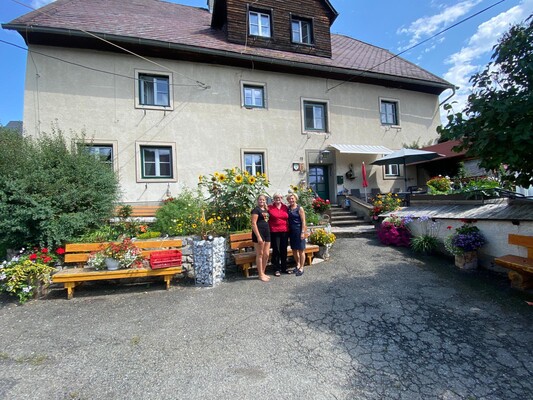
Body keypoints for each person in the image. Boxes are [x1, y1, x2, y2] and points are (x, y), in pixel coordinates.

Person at [268, 192, 290, 277]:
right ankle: (276, 268)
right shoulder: (269, 207)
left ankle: (284, 268)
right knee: (276, 250)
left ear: (282, 198)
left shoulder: (285, 207)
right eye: (276, 197)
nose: (278, 199)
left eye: (280, 197)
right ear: (273, 198)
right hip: (274, 232)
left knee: (284, 249)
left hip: (284, 231)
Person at [251, 194, 271, 282]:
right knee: (260, 254)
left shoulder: (266, 210)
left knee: (266, 254)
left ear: (265, 201)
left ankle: (263, 272)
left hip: (267, 233)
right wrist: (259, 237)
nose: (261, 201)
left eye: (263, 200)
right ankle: (260, 274)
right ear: (257, 201)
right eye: (260, 200)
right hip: (259, 234)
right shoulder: (256, 210)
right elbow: (253, 224)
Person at [287, 192, 307, 276]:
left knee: (301, 250)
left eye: (292, 198)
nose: (291, 200)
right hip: (291, 232)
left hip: (299, 230)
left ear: (295, 199)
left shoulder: (300, 208)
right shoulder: (288, 208)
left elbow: (303, 221)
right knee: (294, 249)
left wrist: (303, 232)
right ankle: (298, 264)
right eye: (289, 199)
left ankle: (302, 267)